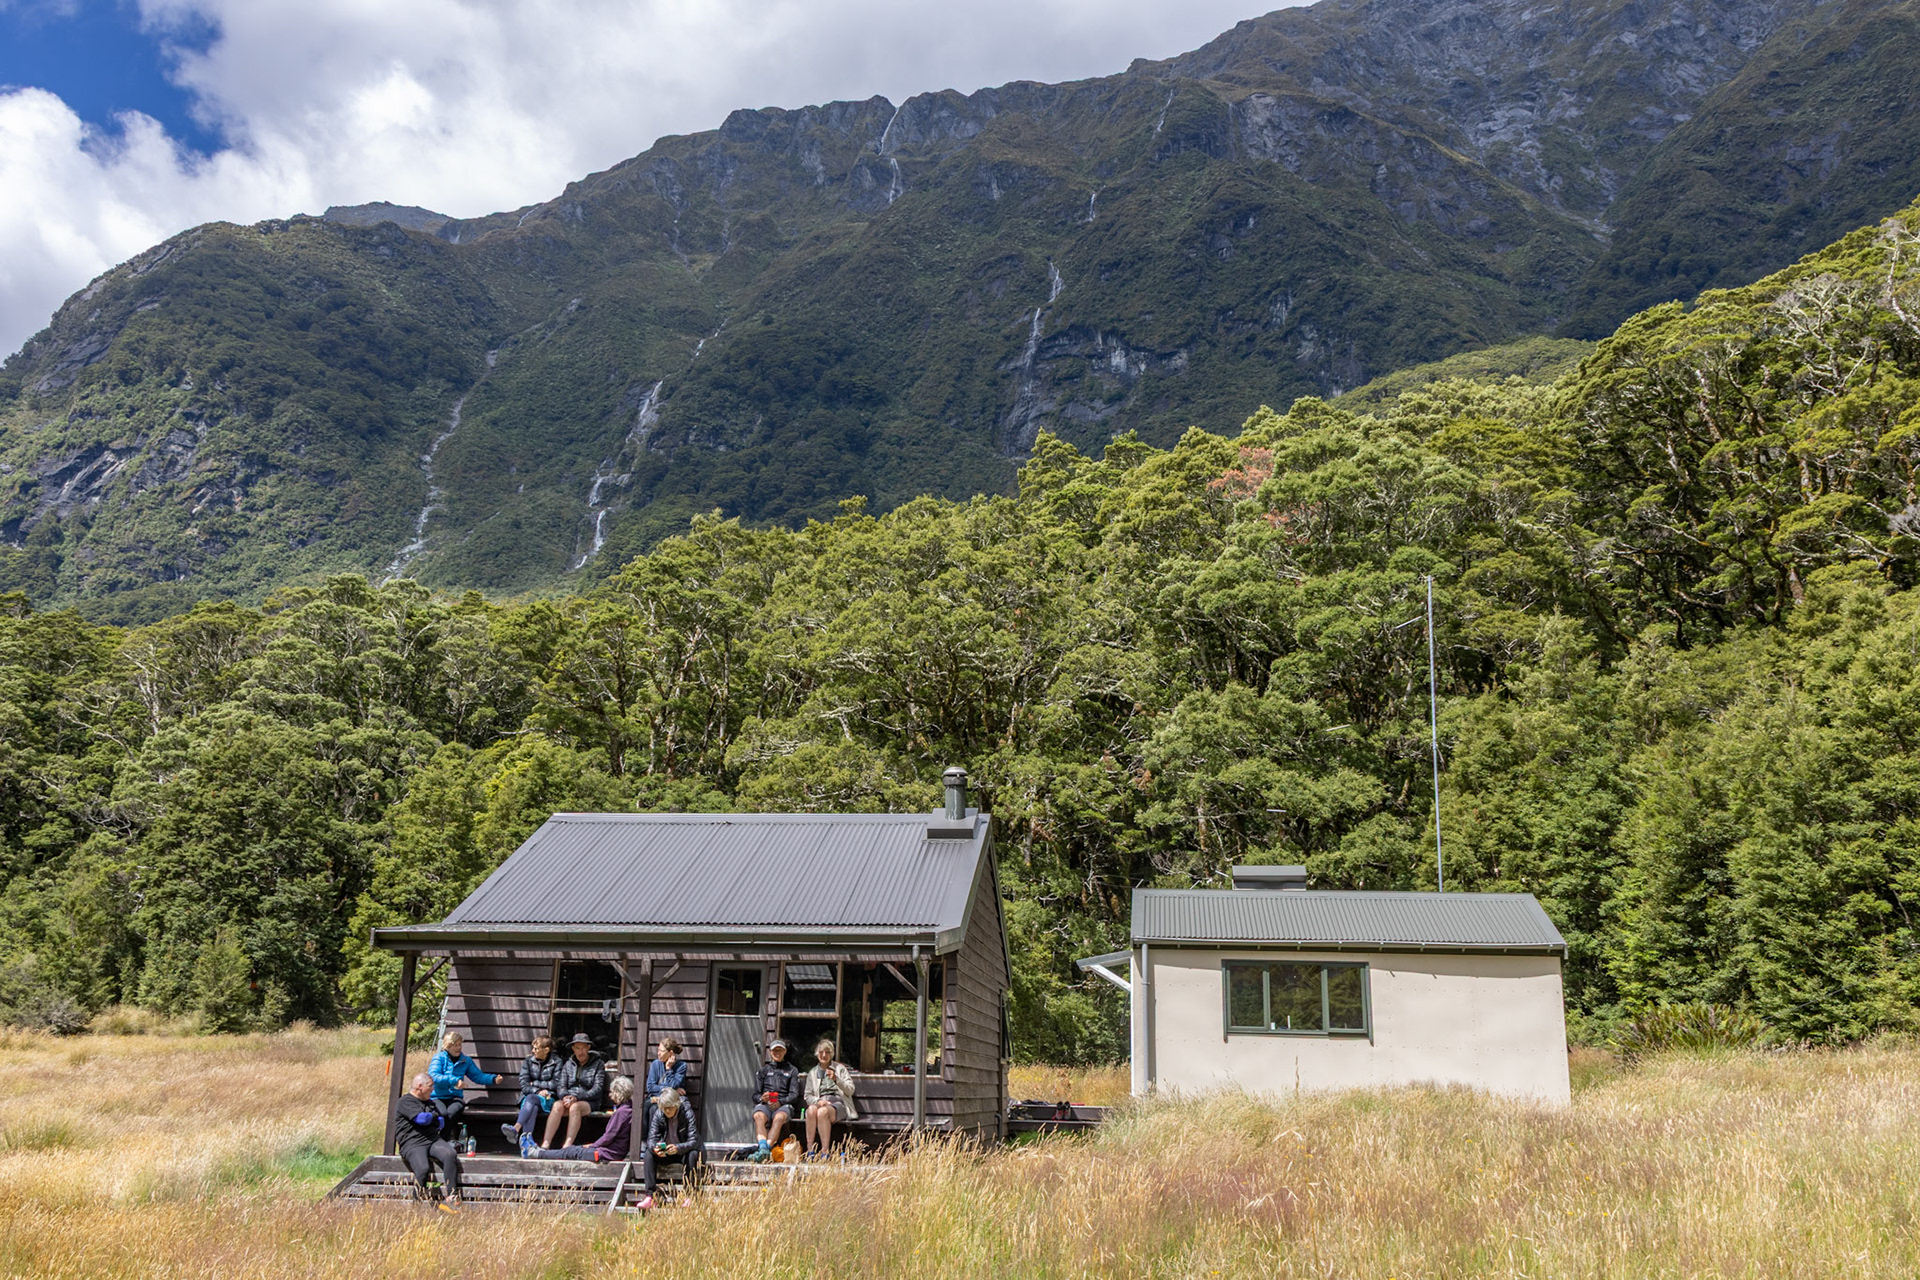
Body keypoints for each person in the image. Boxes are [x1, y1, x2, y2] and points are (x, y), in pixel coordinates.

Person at [391, 1072, 463, 1213]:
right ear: (419, 1086)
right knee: (423, 1169)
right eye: (430, 1086)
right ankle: (416, 1204)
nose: (432, 1089)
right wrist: (433, 1117)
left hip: (432, 1139)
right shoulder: (405, 1102)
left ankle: (451, 1197)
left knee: (449, 1154)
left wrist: (433, 1118)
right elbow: (421, 1119)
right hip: (412, 1142)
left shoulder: (430, 1102)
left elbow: (440, 1123)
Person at [521, 1075, 635, 1162]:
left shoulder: (622, 1113)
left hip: (605, 1154)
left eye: (612, 1093)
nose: (610, 1096)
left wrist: (593, 1145)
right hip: (610, 1152)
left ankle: (536, 1154)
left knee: (571, 1152)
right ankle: (538, 1151)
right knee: (573, 1149)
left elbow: (608, 1137)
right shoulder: (628, 1109)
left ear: (618, 1093)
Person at [636, 1088, 703, 1208]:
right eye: (664, 1108)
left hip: (683, 1151)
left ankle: (689, 1195)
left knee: (692, 1154)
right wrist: (654, 1148)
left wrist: (678, 1148)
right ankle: (650, 1196)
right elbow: (651, 1139)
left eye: (670, 1108)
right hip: (666, 1152)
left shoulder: (687, 1113)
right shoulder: (659, 1113)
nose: (667, 1111)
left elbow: (693, 1141)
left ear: (676, 1105)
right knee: (648, 1154)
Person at [427, 1031, 504, 1131]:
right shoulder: (439, 1058)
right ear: (447, 1046)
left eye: (460, 1045)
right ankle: (441, 1140)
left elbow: (478, 1076)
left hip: (455, 1097)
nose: (458, 1048)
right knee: (442, 1114)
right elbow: (433, 1076)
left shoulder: (465, 1060)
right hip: (437, 1097)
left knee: (451, 1113)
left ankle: (445, 1140)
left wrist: (493, 1079)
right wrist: (455, 1080)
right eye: (455, 1045)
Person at [544, 1032, 609, 1149]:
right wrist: (565, 1096)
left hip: (589, 1101)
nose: (581, 1052)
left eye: (583, 1048)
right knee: (557, 1106)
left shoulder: (598, 1064)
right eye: (577, 1048)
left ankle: (567, 1145)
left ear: (588, 1047)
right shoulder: (568, 1064)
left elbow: (597, 1089)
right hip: (569, 1099)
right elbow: (561, 1086)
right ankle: (545, 1144)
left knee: (575, 1107)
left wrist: (577, 1098)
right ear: (573, 1049)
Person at [500, 1033, 563, 1146]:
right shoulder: (528, 1061)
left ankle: (516, 1128)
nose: (533, 1051)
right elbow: (524, 1084)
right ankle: (528, 1144)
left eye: (536, 1048)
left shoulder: (557, 1062)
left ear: (546, 1050)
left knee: (531, 1099)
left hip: (548, 1099)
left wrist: (534, 1083)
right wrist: (538, 1091)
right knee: (532, 1104)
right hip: (530, 1099)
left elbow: (556, 1084)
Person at [746, 1038, 801, 1162]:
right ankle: (765, 1150)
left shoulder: (792, 1070)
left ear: (785, 1051)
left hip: (783, 1104)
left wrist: (780, 1102)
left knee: (779, 1118)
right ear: (770, 1052)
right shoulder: (763, 1071)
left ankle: (763, 1151)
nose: (777, 1053)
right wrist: (762, 1097)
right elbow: (755, 1096)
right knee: (758, 1116)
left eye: (780, 1050)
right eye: (774, 1050)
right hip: (766, 1104)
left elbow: (794, 1095)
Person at [803, 1038, 858, 1159]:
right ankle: (810, 1150)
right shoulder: (813, 1073)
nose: (824, 1055)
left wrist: (836, 1079)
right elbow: (808, 1095)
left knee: (823, 1112)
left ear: (832, 1054)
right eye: (821, 1052)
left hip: (838, 1103)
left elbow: (850, 1089)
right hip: (821, 1102)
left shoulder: (840, 1069)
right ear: (817, 1054)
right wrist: (819, 1101)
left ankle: (825, 1152)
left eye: (827, 1052)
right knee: (811, 1110)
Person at [645, 1036, 687, 1101]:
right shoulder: (655, 1064)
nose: (658, 1053)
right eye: (658, 1050)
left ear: (671, 1053)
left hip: (672, 1100)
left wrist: (669, 1069)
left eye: (662, 1051)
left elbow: (673, 1085)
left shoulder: (681, 1066)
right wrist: (673, 1090)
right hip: (656, 1098)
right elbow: (650, 1087)